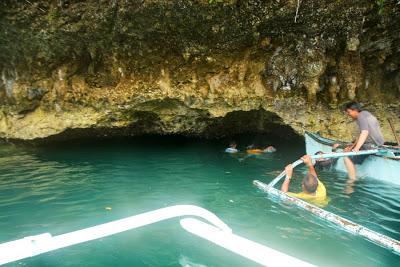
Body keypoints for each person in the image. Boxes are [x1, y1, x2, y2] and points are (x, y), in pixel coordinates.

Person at [342, 102, 385, 180]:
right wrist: (352, 147)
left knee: (346, 158)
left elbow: (365, 132)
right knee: (348, 151)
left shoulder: (360, 116)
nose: (348, 114)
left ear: (355, 110)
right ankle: (355, 174)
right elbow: (361, 134)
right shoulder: (366, 114)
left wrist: (356, 149)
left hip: (372, 145)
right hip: (378, 144)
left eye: (349, 112)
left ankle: (352, 181)